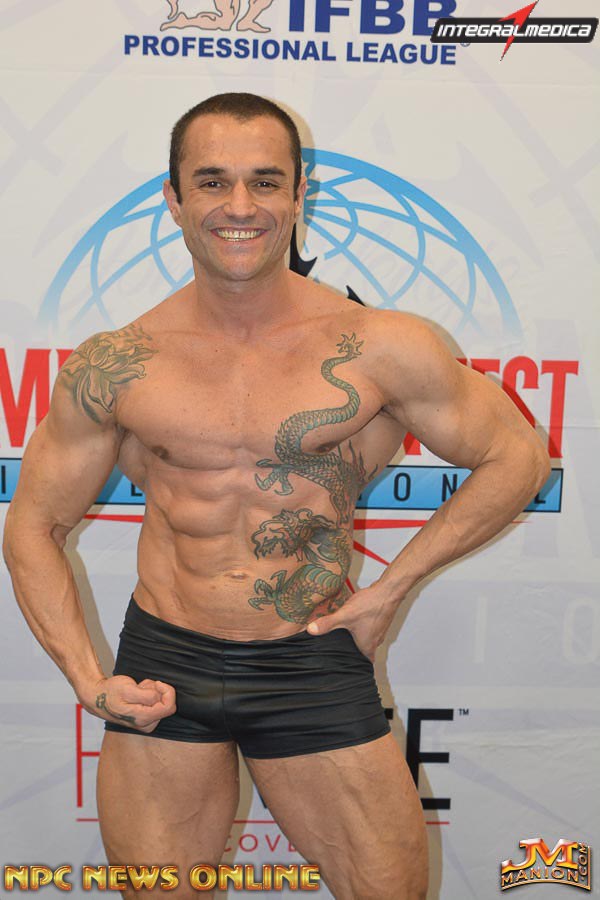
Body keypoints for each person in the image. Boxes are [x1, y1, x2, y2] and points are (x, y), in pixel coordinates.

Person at [3, 93, 550, 900]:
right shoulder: (117, 362)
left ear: (299, 195)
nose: (240, 206)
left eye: (265, 182)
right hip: (166, 665)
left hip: (311, 657)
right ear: (173, 198)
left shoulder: (380, 346)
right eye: (213, 181)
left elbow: (516, 456)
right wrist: (90, 680)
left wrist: (392, 587)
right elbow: (34, 525)